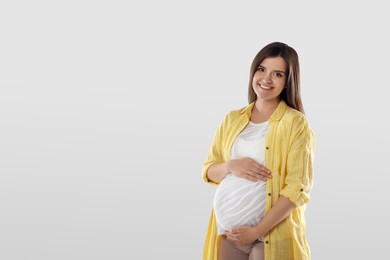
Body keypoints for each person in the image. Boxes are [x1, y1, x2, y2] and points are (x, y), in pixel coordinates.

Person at [201, 42, 316, 260]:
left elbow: (297, 188)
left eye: (278, 74)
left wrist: (257, 230)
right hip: (229, 235)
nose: (266, 79)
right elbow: (208, 170)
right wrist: (230, 166)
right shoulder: (232, 119)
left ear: (287, 81)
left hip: (270, 236)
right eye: (261, 69)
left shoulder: (295, 124)